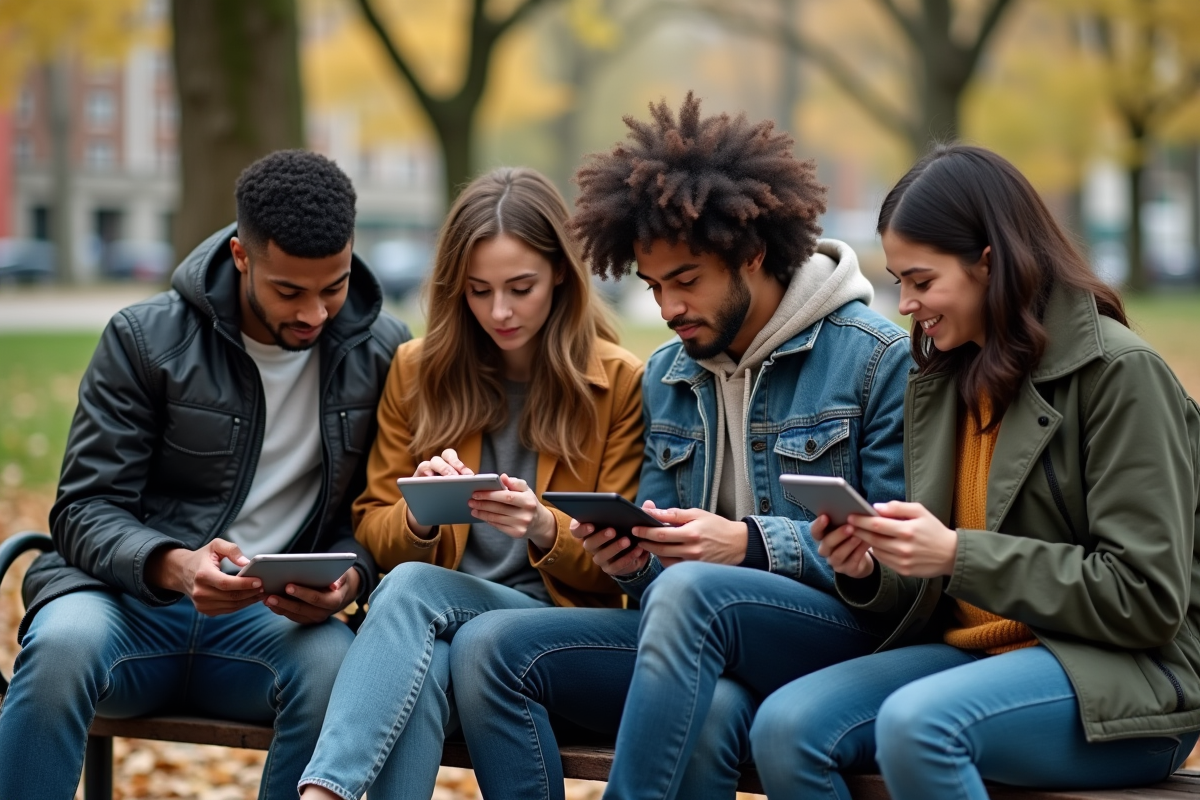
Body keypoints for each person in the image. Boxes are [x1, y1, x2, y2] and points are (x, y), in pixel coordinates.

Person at [450, 93, 914, 800]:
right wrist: (631, 558)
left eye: (686, 282)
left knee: (697, 591)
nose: (667, 309)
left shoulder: (873, 359)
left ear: (751, 254)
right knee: (489, 647)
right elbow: (661, 567)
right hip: (696, 640)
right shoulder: (667, 375)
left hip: (841, 636)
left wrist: (751, 545)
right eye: (654, 286)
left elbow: (899, 563)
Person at [751, 143, 1200, 799]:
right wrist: (872, 567)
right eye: (898, 280)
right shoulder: (943, 382)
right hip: (973, 655)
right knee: (785, 727)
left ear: (990, 262)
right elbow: (939, 585)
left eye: (921, 281)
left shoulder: (1120, 376)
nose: (904, 303)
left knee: (919, 726)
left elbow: (1145, 597)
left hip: (1122, 679)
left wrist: (959, 554)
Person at [0, 150, 411, 800]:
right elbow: (82, 510)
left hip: (272, 624)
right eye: (288, 291)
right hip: (126, 605)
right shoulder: (145, 339)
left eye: (332, 287)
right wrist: (175, 565)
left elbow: (374, 516)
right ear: (241, 255)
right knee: (60, 650)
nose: (315, 313)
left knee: (336, 667)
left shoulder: (384, 352)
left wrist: (351, 577)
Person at [296, 167, 644, 800]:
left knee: (412, 591)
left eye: (520, 287)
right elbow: (373, 522)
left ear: (561, 274)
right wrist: (421, 516)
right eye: (479, 291)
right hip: (426, 636)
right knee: (418, 667)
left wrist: (543, 526)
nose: (500, 311)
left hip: (551, 631)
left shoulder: (618, 382)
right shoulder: (417, 370)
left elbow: (619, 566)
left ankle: (323, 793)